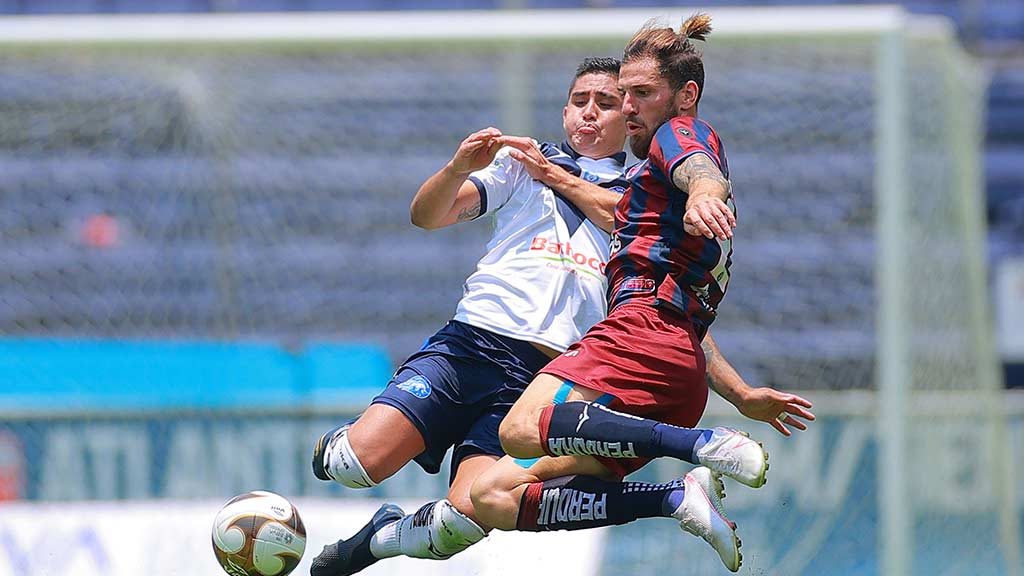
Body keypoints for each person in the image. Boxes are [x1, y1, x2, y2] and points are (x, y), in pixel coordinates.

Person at [465, 14, 814, 573]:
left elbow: (697, 165)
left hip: (640, 332)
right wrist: (742, 393)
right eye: (623, 93)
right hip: (677, 363)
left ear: (685, 95)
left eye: (643, 93)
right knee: (496, 496)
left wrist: (703, 189)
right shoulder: (646, 196)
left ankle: (701, 446)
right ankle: (673, 496)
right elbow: (686, 319)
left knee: (519, 428)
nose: (628, 106)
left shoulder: (680, 133)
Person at [308, 57, 631, 576]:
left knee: (468, 516)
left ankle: (375, 542)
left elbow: (626, 221)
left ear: (628, 115)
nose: (588, 113)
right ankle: (342, 445)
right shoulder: (520, 164)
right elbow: (426, 216)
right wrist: (457, 168)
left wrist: (554, 176)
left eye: (605, 103)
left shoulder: (642, 187)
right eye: (578, 101)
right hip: (472, 344)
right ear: (564, 109)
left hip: (541, 380)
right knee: (351, 465)